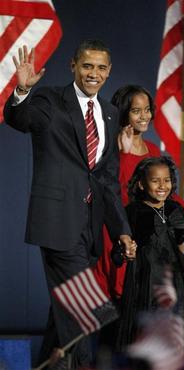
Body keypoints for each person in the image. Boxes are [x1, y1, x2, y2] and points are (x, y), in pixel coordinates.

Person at [3, 40, 135, 368]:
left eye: (101, 67)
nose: (94, 73)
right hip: (55, 222)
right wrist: (21, 91)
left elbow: (106, 180)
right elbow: (19, 119)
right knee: (89, 309)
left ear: (109, 71)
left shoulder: (109, 111)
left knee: (64, 313)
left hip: (88, 228)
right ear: (73, 66)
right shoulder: (50, 100)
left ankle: (49, 363)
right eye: (87, 66)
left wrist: (122, 230)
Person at [114, 156, 184, 350]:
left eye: (167, 180)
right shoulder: (132, 211)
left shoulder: (174, 208)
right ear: (142, 184)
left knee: (173, 328)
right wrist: (126, 253)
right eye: (155, 180)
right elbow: (117, 253)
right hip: (144, 278)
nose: (162, 185)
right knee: (146, 330)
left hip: (172, 279)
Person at [95, 85, 160, 301]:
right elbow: (112, 188)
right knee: (110, 299)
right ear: (123, 113)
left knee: (139, 303)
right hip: (115, 231)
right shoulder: (108, 146)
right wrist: (123, 153)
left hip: (144, 235)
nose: (144, 116)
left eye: (147, 109)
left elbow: (164, 194)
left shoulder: (153, 149)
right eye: (136, 110)